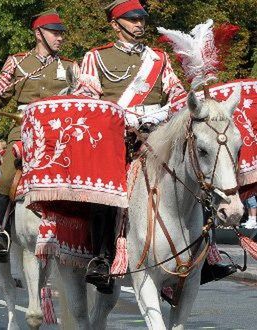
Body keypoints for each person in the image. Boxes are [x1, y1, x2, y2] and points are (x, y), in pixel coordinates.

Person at [73, 0, 238, 293]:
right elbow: (86, 101)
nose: (139, 24)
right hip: (115, 139)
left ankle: (206, 256)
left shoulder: (158, 59)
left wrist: (169, 108)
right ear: (115, 24)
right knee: (105, 194)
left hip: (156, 135)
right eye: (132, 20)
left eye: (142, 20)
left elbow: (176, 96)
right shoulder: (96, 58)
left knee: (197, 180)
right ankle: (102, 257)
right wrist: (122, 119)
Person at [0, 10, 80, 258]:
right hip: (25, 129)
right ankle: (0, 231)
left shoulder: (71, 66)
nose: (60, 38)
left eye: (61, 33)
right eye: (54, 33)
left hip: (61, 133)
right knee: (7, 176)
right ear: (38, 34)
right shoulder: (17, 63)